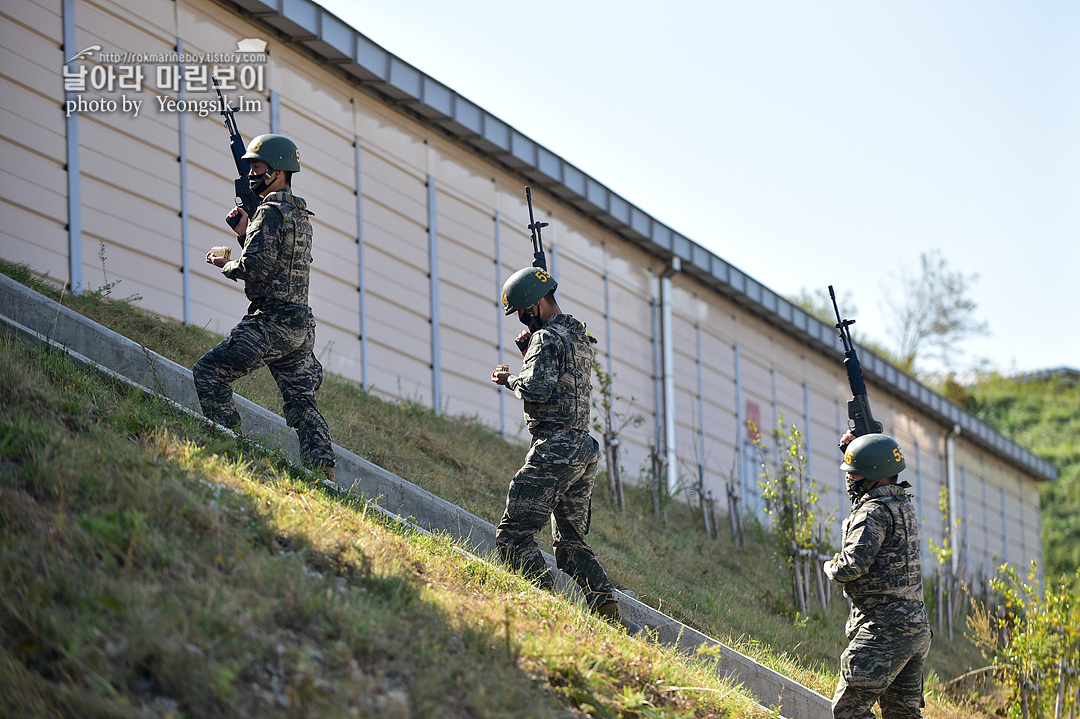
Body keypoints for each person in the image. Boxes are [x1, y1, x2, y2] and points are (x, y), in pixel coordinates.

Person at [491, 266, 638, 633]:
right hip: (584, 449)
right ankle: (607, 609)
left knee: (514, 536)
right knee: (571, 545)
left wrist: (510, 378)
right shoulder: (578, 338)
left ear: (535, 305)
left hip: (555, 448)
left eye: (524, 311)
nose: (523, 318)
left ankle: (543, 605)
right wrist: (531, 352)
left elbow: (538, 389)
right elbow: (561, 377)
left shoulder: (546, 340)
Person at [193, 133, 335, 479]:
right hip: (301, 327)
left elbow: (254, 268)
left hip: (271, 322)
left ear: (279, 170)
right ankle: (322, 471)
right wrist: (245, 232)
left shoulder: (270, 213)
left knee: (208, 373)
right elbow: (278, 262)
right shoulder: (300, 215)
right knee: (302, 400)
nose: (252, 173)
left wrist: (222, 262)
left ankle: (226, 447)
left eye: (258, 166)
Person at [823, 432, 932, 719]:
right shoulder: (902, 506)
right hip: (914, 628)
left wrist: (831, 567)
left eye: (855, 473)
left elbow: (851, 566)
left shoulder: (872, 511)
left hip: (884, 628)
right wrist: (856, 448)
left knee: (849, 710)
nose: (850, 479)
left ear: (873, 473)